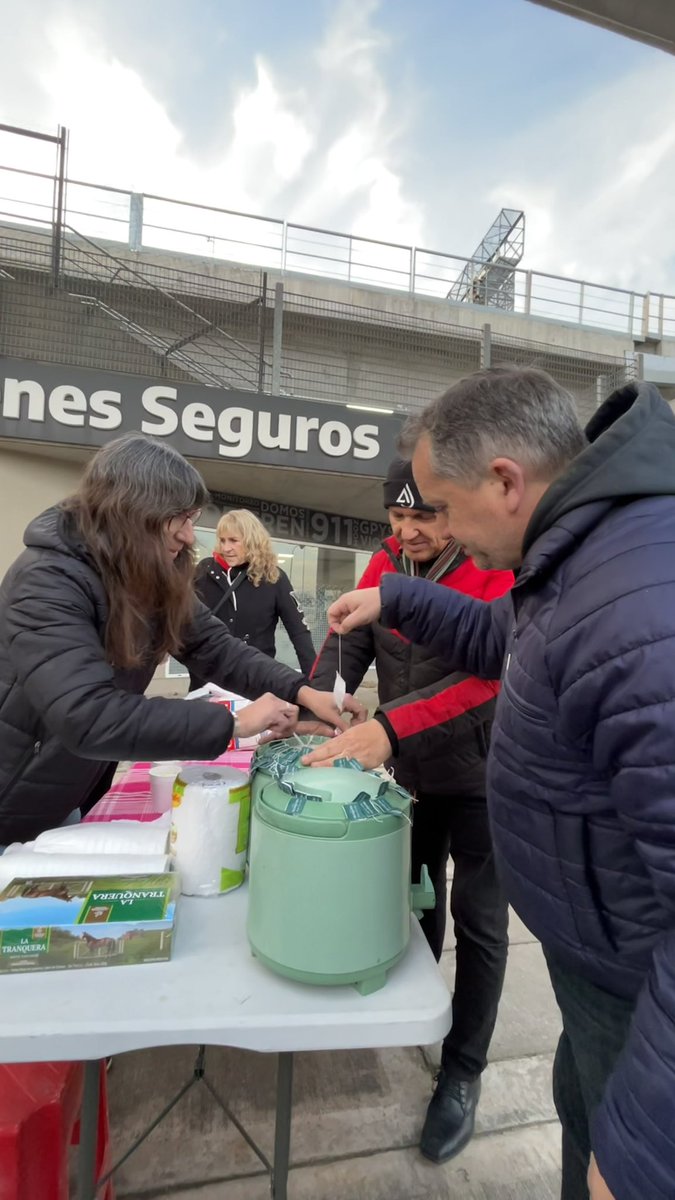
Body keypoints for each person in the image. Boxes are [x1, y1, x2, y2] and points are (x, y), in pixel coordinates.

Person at [310, 366, 675, 1200]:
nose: (431, 527)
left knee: (601, 1145)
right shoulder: (582, 549)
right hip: (596, 949)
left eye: (440, 508)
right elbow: (504, 635)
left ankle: (468, 1074)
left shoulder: (637, 593)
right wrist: (391, 598)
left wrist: (646, 1152)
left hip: (633, 983)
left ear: (505, 481)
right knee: (577, 1103)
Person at [0, 433, 356, 847]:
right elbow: (87, 715)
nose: (190, 535)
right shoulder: (47, 580)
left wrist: (302, 691)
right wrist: (235, 723)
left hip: (61, 793)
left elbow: (215, 648)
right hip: (10, 799)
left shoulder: (146, 573)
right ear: (134, 512)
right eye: (181, 518)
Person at [307, 456, 513, 1163]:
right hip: (404, 775)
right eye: (395, 518)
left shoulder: (491, 566)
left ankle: (462, 1070)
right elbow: (349, 641)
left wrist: (389, 727)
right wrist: (314, 703)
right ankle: (413, 1016)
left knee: (479, 925)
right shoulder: (384, 561)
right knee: (413, 900)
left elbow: (487, 680)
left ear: (450, 511)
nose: (406, 531)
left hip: (482, 780)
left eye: (421, 516)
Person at [188, 509, 316, 692]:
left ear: (251, 540)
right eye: (222, 540)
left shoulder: (274, 578)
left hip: (256, 685)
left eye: (233, 540)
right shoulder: (203, 571)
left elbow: (299, 634)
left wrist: (314, 687)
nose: (226, 548)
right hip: (206, 686)